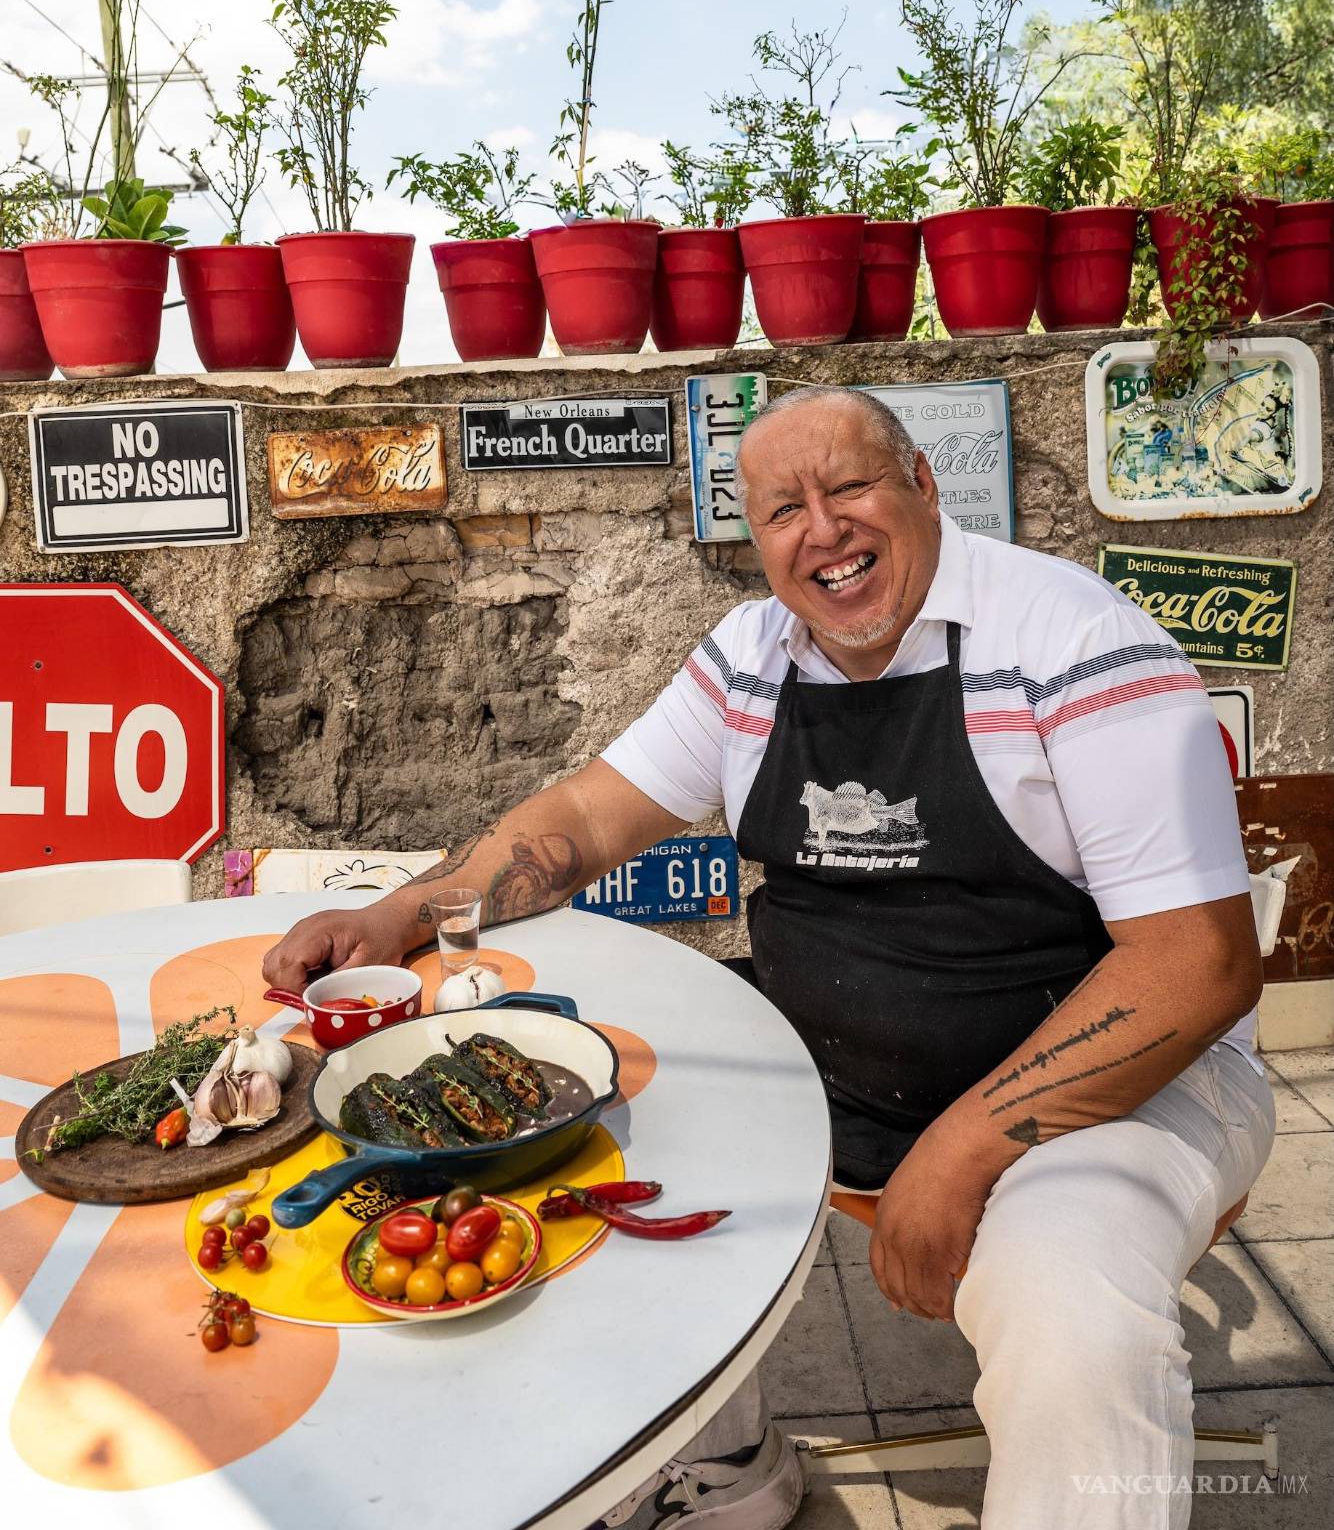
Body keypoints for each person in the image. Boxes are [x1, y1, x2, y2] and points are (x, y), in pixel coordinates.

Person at [264, 386, 1273, 1530]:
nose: (822, 531)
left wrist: (955, 1150)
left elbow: (1193, 963)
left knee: (1070, 1320)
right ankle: (723, 1457)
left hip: (1117, 1094)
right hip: (833, 1074)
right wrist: (401, 912)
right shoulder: (750, 657)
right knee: (576, 1119)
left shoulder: (1072, 641)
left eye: (848, 486)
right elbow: (588, 820)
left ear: (922, 486)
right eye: (782, 507)